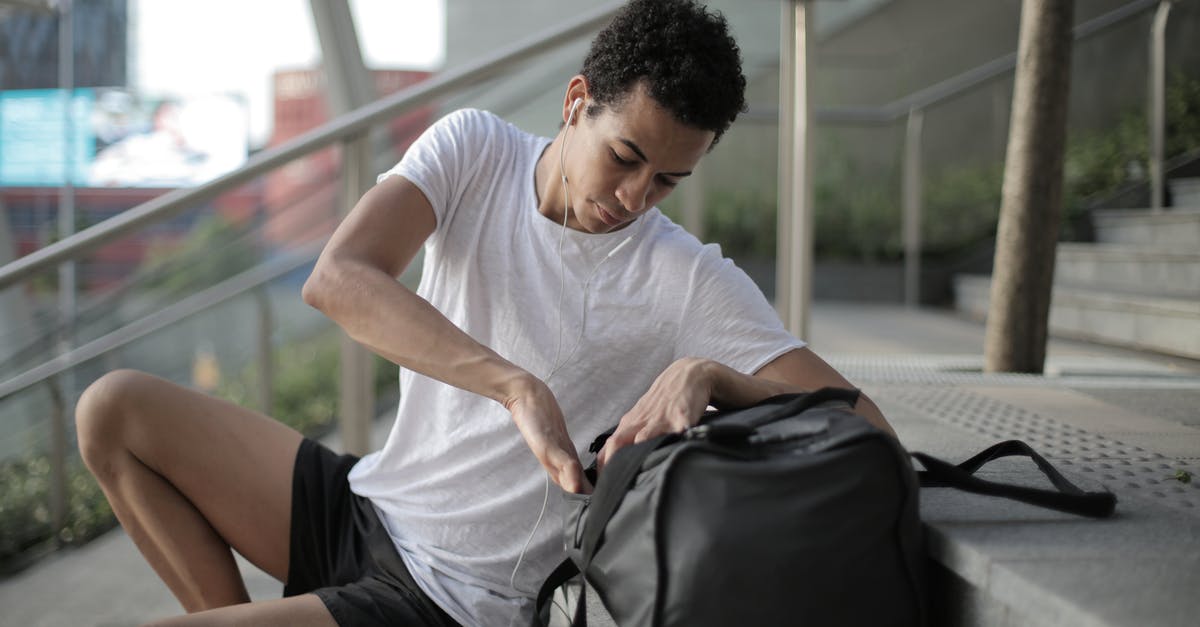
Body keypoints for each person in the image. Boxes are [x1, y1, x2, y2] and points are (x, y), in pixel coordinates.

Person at [75, 1, 896, 626]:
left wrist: (712, 374)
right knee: (112, 409)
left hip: (453, 600)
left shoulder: (685, 279)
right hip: (367, 503)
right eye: (626, 157)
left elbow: (865, 426)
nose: (635, 197)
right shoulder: (476, 150)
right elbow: (339, 278)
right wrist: (514, 386)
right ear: (578, 102)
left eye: (668, 180)